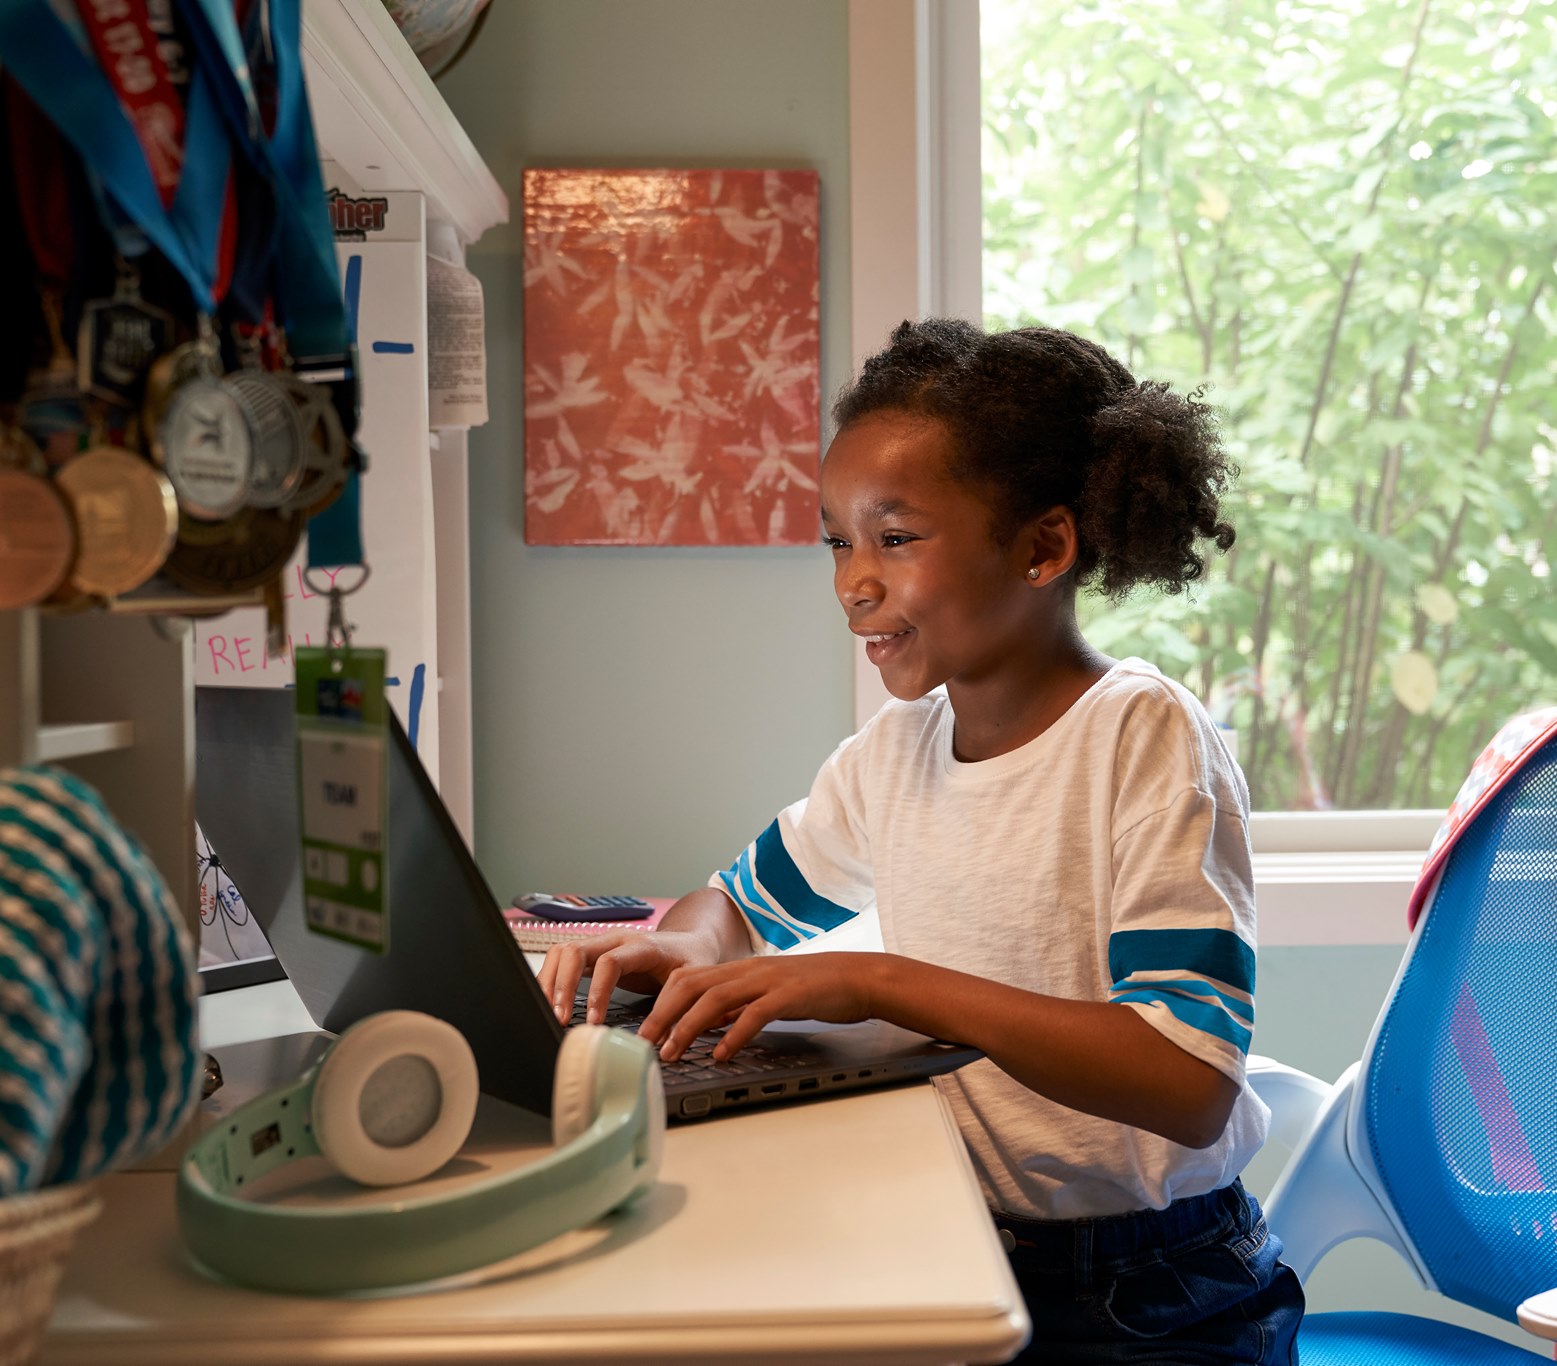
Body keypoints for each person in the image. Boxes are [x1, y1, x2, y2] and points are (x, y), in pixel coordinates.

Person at [538, 318, 1303, 1364]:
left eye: (894, 539)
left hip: (1148, 1288)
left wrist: (881, 982)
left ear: (1042, 547)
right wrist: (689, 943)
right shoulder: (894, 751)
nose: (852, 582)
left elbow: (1186, 1079)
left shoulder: (1141, 735)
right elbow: (739, 901)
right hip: (976, 1241)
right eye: (837, 542)